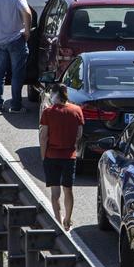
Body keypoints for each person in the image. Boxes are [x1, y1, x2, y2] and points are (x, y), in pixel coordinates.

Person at [38, 84, 83, 231]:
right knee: (68, 189)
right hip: (69, 156)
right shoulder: (76, 111)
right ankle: (68, 219)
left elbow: (43, 136)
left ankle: (57, 222)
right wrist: (73, 145)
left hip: (51, 156)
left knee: (55, 192)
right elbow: (79, 134)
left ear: (55, 95)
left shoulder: (48, 112)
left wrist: (43, 155)